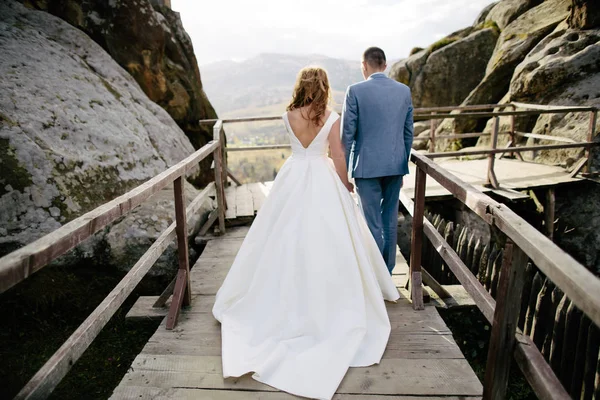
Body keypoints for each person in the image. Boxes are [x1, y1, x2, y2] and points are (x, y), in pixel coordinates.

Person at [212, 66, 399, 400]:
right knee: (331, 242)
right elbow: (338, 154)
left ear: (300, 86)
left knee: (282, 238)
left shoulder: (288, 115)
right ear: (324, 86)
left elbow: (298, 149)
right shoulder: (330, 116)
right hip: (322, 178)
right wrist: (345, 184)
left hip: (293, 177)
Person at [342, 46, 414, 275]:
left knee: (371, 222)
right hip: (395, 166)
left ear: (364, 65)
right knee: (390, 221)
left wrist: (343, 171)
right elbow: (408, 133)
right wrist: (402, 166)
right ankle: (388, 271)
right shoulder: (403, 91)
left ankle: (375, 275)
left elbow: (347, 135)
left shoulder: (355, 90)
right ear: (385, 65)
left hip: (366, 168)